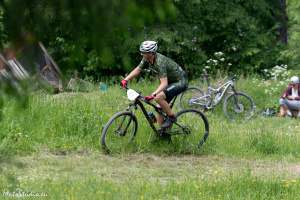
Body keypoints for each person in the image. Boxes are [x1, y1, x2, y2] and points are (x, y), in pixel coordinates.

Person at [121, 41, 188, 128]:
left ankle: (172, 117)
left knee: (158, 97)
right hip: (171, 81)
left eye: (145, 53)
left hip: (180, 81)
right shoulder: (147, 58)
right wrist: (126, 80)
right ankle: (163, 133)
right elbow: (138, 69)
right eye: (142, 52)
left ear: (151, 53)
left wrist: (153, 94)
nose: (142, 54)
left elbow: (164, 83)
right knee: (159, 108)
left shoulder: (160, 62)